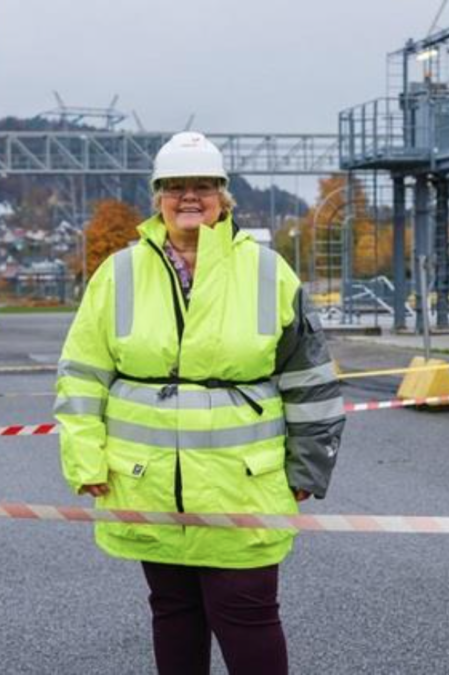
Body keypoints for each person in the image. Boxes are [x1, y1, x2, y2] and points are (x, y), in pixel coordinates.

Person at [56, 131, 345, 674]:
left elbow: (310, 378)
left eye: (203, 186)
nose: (189, 196)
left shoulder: (267, 272)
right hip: (150, 483)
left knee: (247, 616)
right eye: (176, 186)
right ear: (158, 196)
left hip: (242, 486)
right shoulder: (118, 273)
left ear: (223, 195)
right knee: (173, 614)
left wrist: (308, 464)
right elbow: (81, 375)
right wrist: (84, 456)